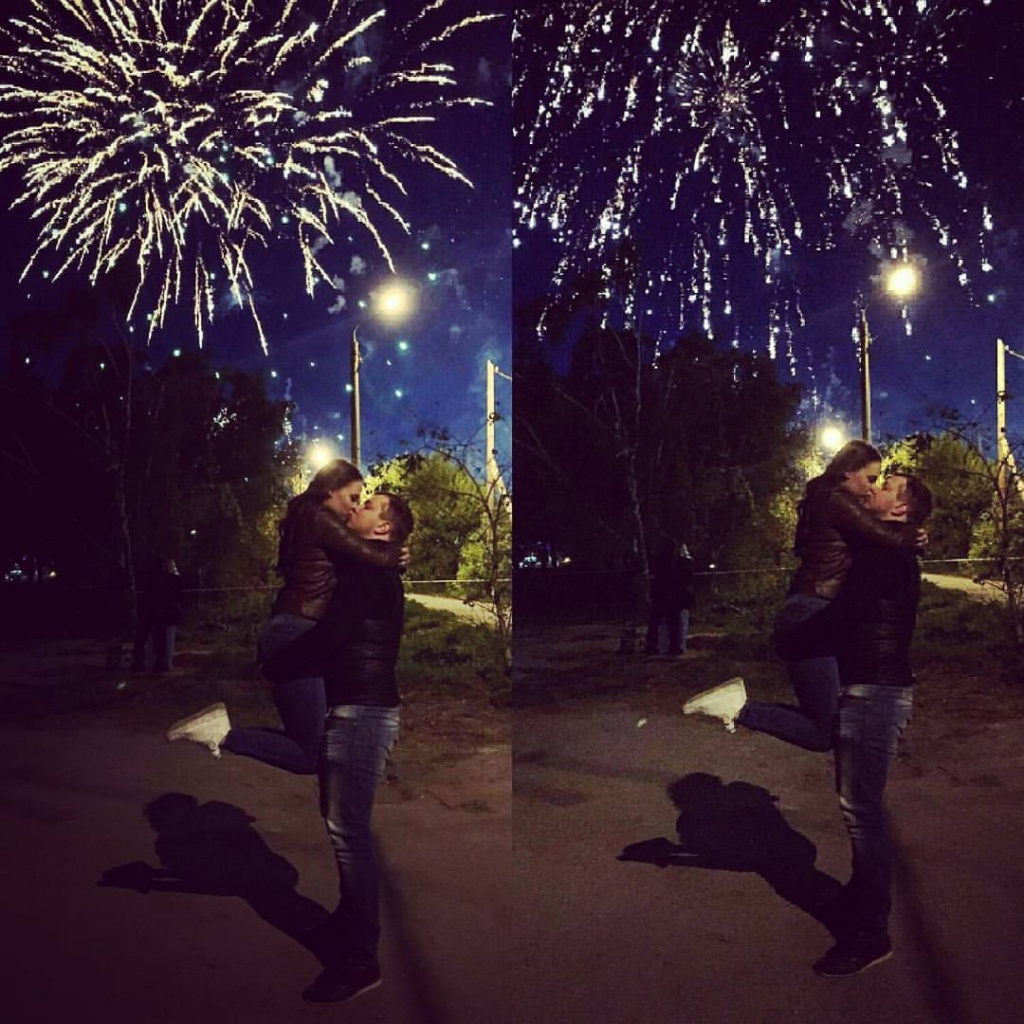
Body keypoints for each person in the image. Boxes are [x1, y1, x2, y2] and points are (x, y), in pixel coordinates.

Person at [261, 491, 414, 1005]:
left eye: (368, 506)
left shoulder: (369, 576)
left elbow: (328, 638)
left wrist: (274, 666)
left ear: (383, 528)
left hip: (362, 716)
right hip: (355, 711)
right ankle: (347, 928)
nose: (356, 508)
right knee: (343, 828)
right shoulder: (370, 568)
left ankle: (360, 959)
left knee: (349, 834)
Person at [166, 459, 405, 772]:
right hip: (296, 629)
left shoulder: (310, 518)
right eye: (352, 497)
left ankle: (224, 732)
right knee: (310, 753)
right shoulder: (320, 518)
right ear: (331, 491)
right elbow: (370, 553)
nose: (354, 507)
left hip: (292, 626)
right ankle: (222, 733)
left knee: (311, 742)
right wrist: (396, 552)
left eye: (360, 501)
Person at [682, 441, 922, 750]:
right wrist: (913, 534)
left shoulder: (826, 498)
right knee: (825, 732)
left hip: (809, 607)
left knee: (828, 721)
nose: (870, 488)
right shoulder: (836, 500)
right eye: (870, 479)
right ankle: (738, 707)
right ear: (849, 472)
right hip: (812, 609)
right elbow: (885, 534)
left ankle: (741, 707)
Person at [800, 472, 933, 977]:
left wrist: (791, 640)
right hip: (874, 689)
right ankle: (860, 902)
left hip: (875, 694)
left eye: (886, 486)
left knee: (862, 813)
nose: (873, 490)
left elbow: (843, 617)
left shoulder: (883, 559)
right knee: (860, 808)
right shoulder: (887, 550)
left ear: (899, 509)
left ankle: (871, 933)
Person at [644, 540, 696, 656]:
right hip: (671, 594)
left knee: (656, 622)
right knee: (673, 623)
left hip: (661, 593)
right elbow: (686, 575)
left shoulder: (659, 560)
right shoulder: (678, 562)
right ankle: (673, 647)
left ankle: (653, 646)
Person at [132, 555, 183, 672]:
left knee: (143, 638)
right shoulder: (165, 578)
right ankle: (158, 662)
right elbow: (175, 591)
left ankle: (140, 662)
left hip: (149, 610)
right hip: (157, 610)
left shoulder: (149, 577)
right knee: (158, 639)